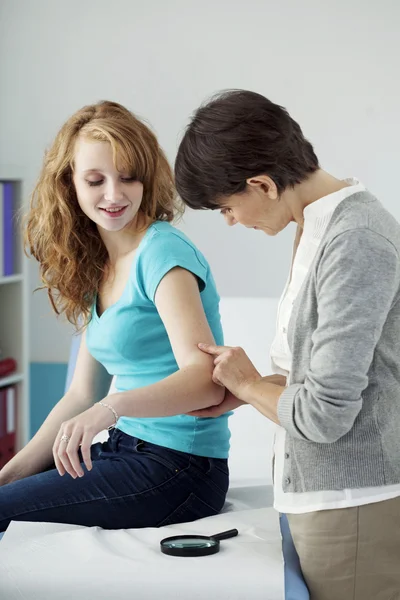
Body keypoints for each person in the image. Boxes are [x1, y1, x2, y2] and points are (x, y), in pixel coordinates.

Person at [175, 89, 400, 600]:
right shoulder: (316, 227)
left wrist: (252, 384)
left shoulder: (356, 239)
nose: (232, 221)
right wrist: (253, 391)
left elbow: (324, 414)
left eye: (227, 208)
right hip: (322, 499)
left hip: (351, 507)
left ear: (262, 184)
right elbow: (321, 377)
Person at [0, 100, 231, 532]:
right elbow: (82, 394)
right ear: (70, 184)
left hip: (180, 469)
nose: (114, 194)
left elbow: (204, 379)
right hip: (125, 451)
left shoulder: (162, 252)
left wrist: (113, 408)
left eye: (128, 177)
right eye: (95, 180)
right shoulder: (98, 263)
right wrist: (8, 477)